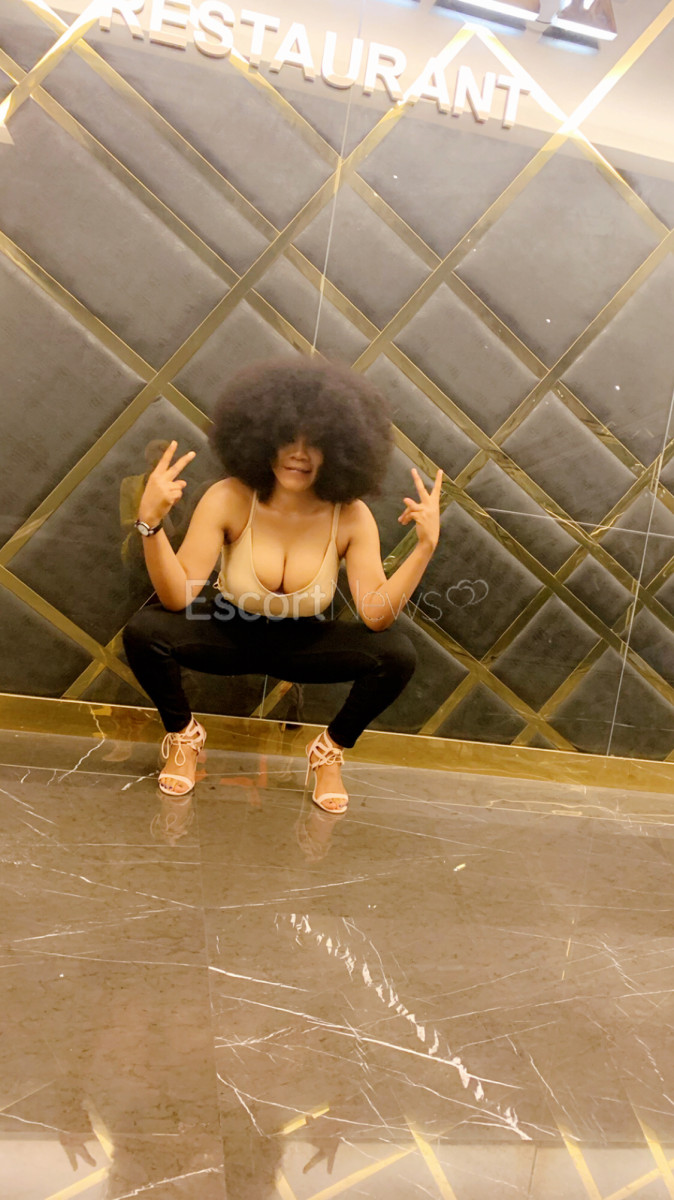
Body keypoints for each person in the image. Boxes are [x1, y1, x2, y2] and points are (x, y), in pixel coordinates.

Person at [122, 358, 442, 812]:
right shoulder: (228, 497)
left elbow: (376, 616)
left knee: (397, 654)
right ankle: (183, 736)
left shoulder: (351, 516)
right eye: (288, 438)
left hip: (304, 641)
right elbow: (177, 597)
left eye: (316, 443)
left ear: (342, 449)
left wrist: (424, 547)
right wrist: (151, 524)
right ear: (262, 438)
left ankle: (329, 751)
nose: (299, 453)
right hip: (229, 630)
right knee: (144, 631)